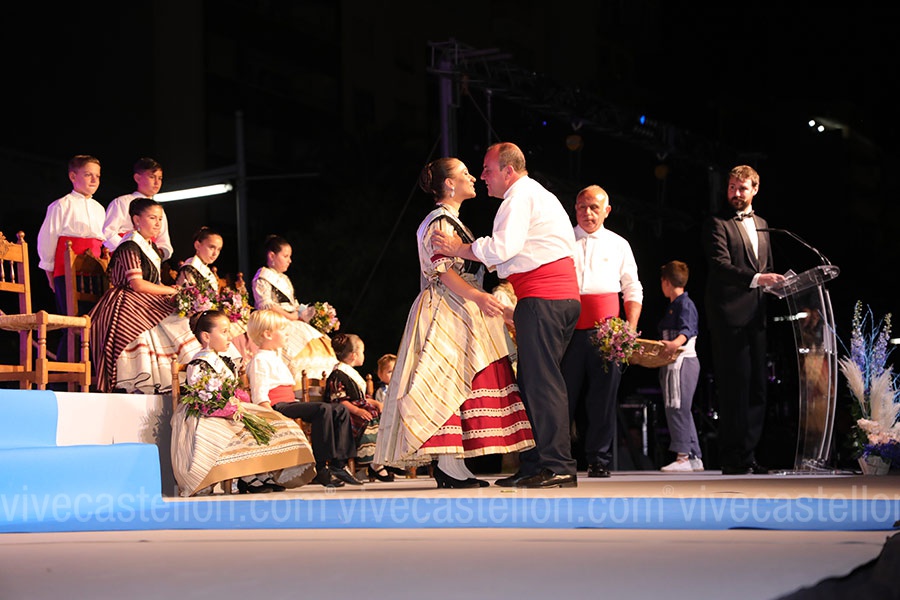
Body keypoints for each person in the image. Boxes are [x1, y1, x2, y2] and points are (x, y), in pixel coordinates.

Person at [374, 157, 535, 489]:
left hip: (460, 305)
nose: (472, 177)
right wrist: (478, 297)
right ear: (449, 184)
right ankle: (449, 465)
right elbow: (443, 270)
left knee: (459, 382)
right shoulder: (439, 222)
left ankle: (454, 465)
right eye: (464, 174)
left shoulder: (452, 222)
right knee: (447, 382)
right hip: (446, 308)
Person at [430, 146, 578, 489]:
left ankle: (558, 465)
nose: (482, 176)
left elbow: (502, 249)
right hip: (550, 296)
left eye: (487, 169)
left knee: (542, 384)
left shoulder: (519, 197)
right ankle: (536, 464)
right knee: (531, 382)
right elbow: (510, 257)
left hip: (544, 296)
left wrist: (458, 249)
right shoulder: (534, 196)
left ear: (508, 171)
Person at [170, 310, 317, 496]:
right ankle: (247, 476)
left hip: (228, 408)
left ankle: (261, 471)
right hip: (206, 413)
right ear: (206, 336)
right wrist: (226, 408)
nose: (229, 337)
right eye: (224, 332)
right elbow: (203, 397)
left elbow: (231, 390)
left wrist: (236, 402)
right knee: (234, 430)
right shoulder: (200, 363)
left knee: (271, 422)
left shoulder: (224, 361)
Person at [701, 165, 785, 475]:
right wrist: (759, 279)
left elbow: (767, 267)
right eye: (732, 187)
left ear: (755, 190)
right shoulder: (717, 223)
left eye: (742, 188)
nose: (736, 193)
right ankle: (731, 457)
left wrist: (779, 285)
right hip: (729, 317)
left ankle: (748, 454)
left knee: (757, 388)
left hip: (757, 316)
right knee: (734, 386)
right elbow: (720, 265)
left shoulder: (762, 224)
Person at [561, 184, 643, 478]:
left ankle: (599, 459)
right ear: (575, 209)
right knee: (562, 398)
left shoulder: (619, 244)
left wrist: (630, 328)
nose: (588, 213)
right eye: (582, 207)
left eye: (594, 207)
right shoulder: (561, 240)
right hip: (567, 331)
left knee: (603, 400)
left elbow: (632, 287)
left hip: (607, 334)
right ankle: (558, 460)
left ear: (606, 211)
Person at [88, 198, 201, 393]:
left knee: (176, 315)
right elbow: (137, 284)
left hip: (145, 298)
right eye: (152, 218)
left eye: (160, 219)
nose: (158, 224)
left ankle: (181, 376)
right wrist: (171, 290)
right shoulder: (130, 245)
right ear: (136, 220)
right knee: (142, 322)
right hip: (126, 300)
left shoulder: (152, 248)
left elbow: (155, 283)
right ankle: (139, 381)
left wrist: (172, 290)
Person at [245, 309, 362, 487]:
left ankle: (339, 463)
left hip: (289, 402)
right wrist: (268, 413)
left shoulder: (275, 357)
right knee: (322, 409)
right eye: (282, 330)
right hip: (277, 405)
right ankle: (321, 466)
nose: (287, 334)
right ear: (267, 334)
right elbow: (259, 391)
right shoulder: (260, 360)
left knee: (339, 409)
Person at [36, 154, 106, 360]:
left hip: (96, 272)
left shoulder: (100, 209)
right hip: (67, 270)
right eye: (88, 175)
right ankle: (65, 372)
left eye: (97, 176)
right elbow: (47, 239)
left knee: (94, 321)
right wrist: (50, 272)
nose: (94, 180)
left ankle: (91, 369)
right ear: (73, 176)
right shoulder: (61, 205)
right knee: (71, 321)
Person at [251, 235, 338, 387]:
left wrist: (308, 313)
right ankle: (300, 385)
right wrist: (290, 317)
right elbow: (266, 305)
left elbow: (293, 303)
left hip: (293, 318)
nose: (289, 261)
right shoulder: (263, 277)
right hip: (276, 320)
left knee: (319, 339)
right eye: (285, 256)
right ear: (272, 256)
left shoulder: (284, 279)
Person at [656, 260, 703, 472]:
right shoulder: (676, 305)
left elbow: (688, 330)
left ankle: (683, 456)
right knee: (681, 407)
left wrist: (674, 344)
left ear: (666, 282)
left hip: (683, 361)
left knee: (677, 406)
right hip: (675, 362)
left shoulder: (685, 304)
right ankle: (694, 456)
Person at [325, 333, 393, 482]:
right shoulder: (338, 374)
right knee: (368, 421)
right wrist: (357, 410)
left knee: (385, 417)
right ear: (354, 355)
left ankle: (378, 461)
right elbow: (339, 400)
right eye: (362, 352)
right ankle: (373, 463)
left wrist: (376, 403)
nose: (363, 355)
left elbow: (360, 397)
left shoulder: (351, 373)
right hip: (345, 414)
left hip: (358, 409)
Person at [102, 157, 173, 260]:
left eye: (160, 178)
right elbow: (108, 233)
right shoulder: (122, 202)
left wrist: (155, 254)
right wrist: (129, 250)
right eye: (152, 177)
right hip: (124, 259)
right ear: (137, 178)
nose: (157, 182)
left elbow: (164, 242)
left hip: (150, 260)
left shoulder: (159, 210)